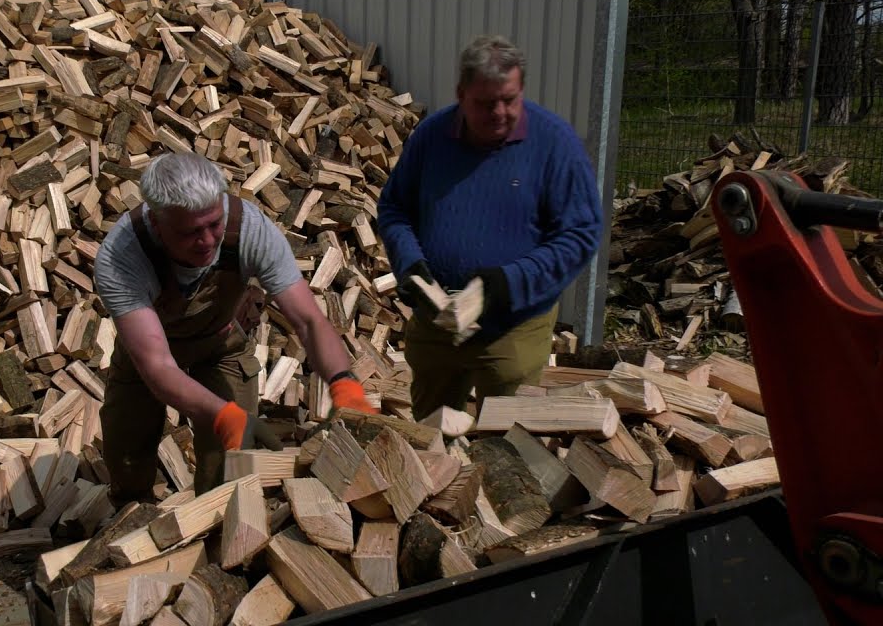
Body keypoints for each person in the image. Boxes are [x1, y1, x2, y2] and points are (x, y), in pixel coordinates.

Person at [93, 151, 378, 503]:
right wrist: (225, 416)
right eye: (191, 232)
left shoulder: (249, 229)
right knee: (127, 448)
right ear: (157, 222)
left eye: (214, 224)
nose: (208, 240)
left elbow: (307, 319)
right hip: (150, 351)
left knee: (229, 466)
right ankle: (130, 517)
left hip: (221, 344)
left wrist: (343, 382)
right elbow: (158, 366)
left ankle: (216, 533)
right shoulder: (122, 256)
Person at [377, 34, 603, 422]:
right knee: (430, 437)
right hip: (438, 318)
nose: (499, 112)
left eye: (509, 99)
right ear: (461, 93)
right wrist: (410, 265)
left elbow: (581, 233)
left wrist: (507, 283)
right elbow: (395, 207)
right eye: (485, 103)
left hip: (512, 325)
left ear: (522, 90)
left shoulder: (553, 143)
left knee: (509, 444)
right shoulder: (433, 138)